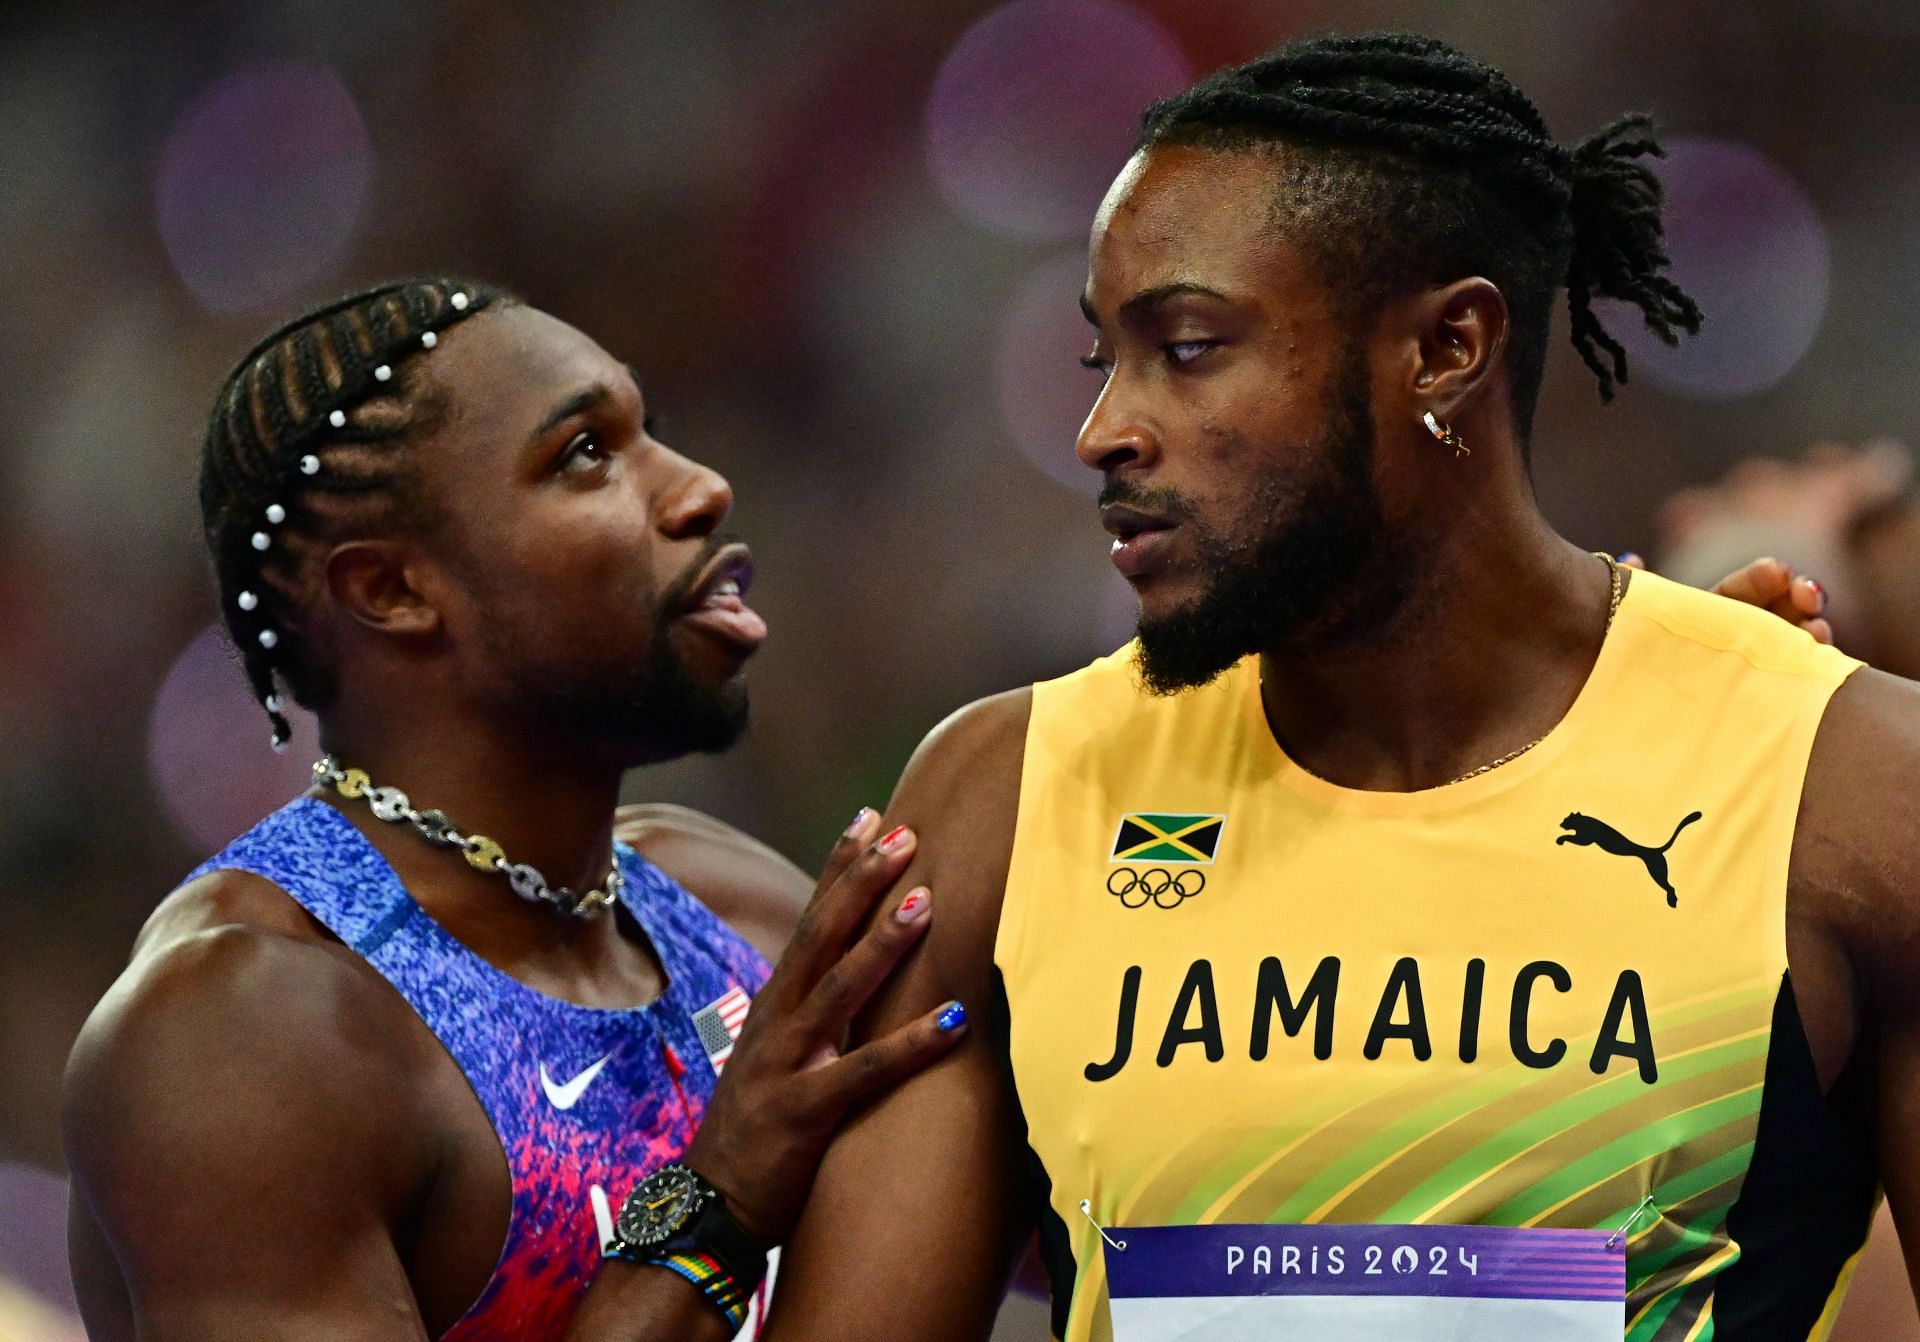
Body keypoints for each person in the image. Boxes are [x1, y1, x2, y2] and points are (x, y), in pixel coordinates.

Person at [761, 33, 1920, 1342]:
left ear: (1446, 349)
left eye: (1187, 347)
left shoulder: (1850, 791)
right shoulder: (1006, 802)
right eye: (1108, 360)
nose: (1103, 432)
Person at [59, 279, 968, 1341]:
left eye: (651, 432)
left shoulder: (733, 909)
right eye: (585, 453)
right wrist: (716, 1197)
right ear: (391, 590)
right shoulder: (242, 1033)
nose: (700, 489)